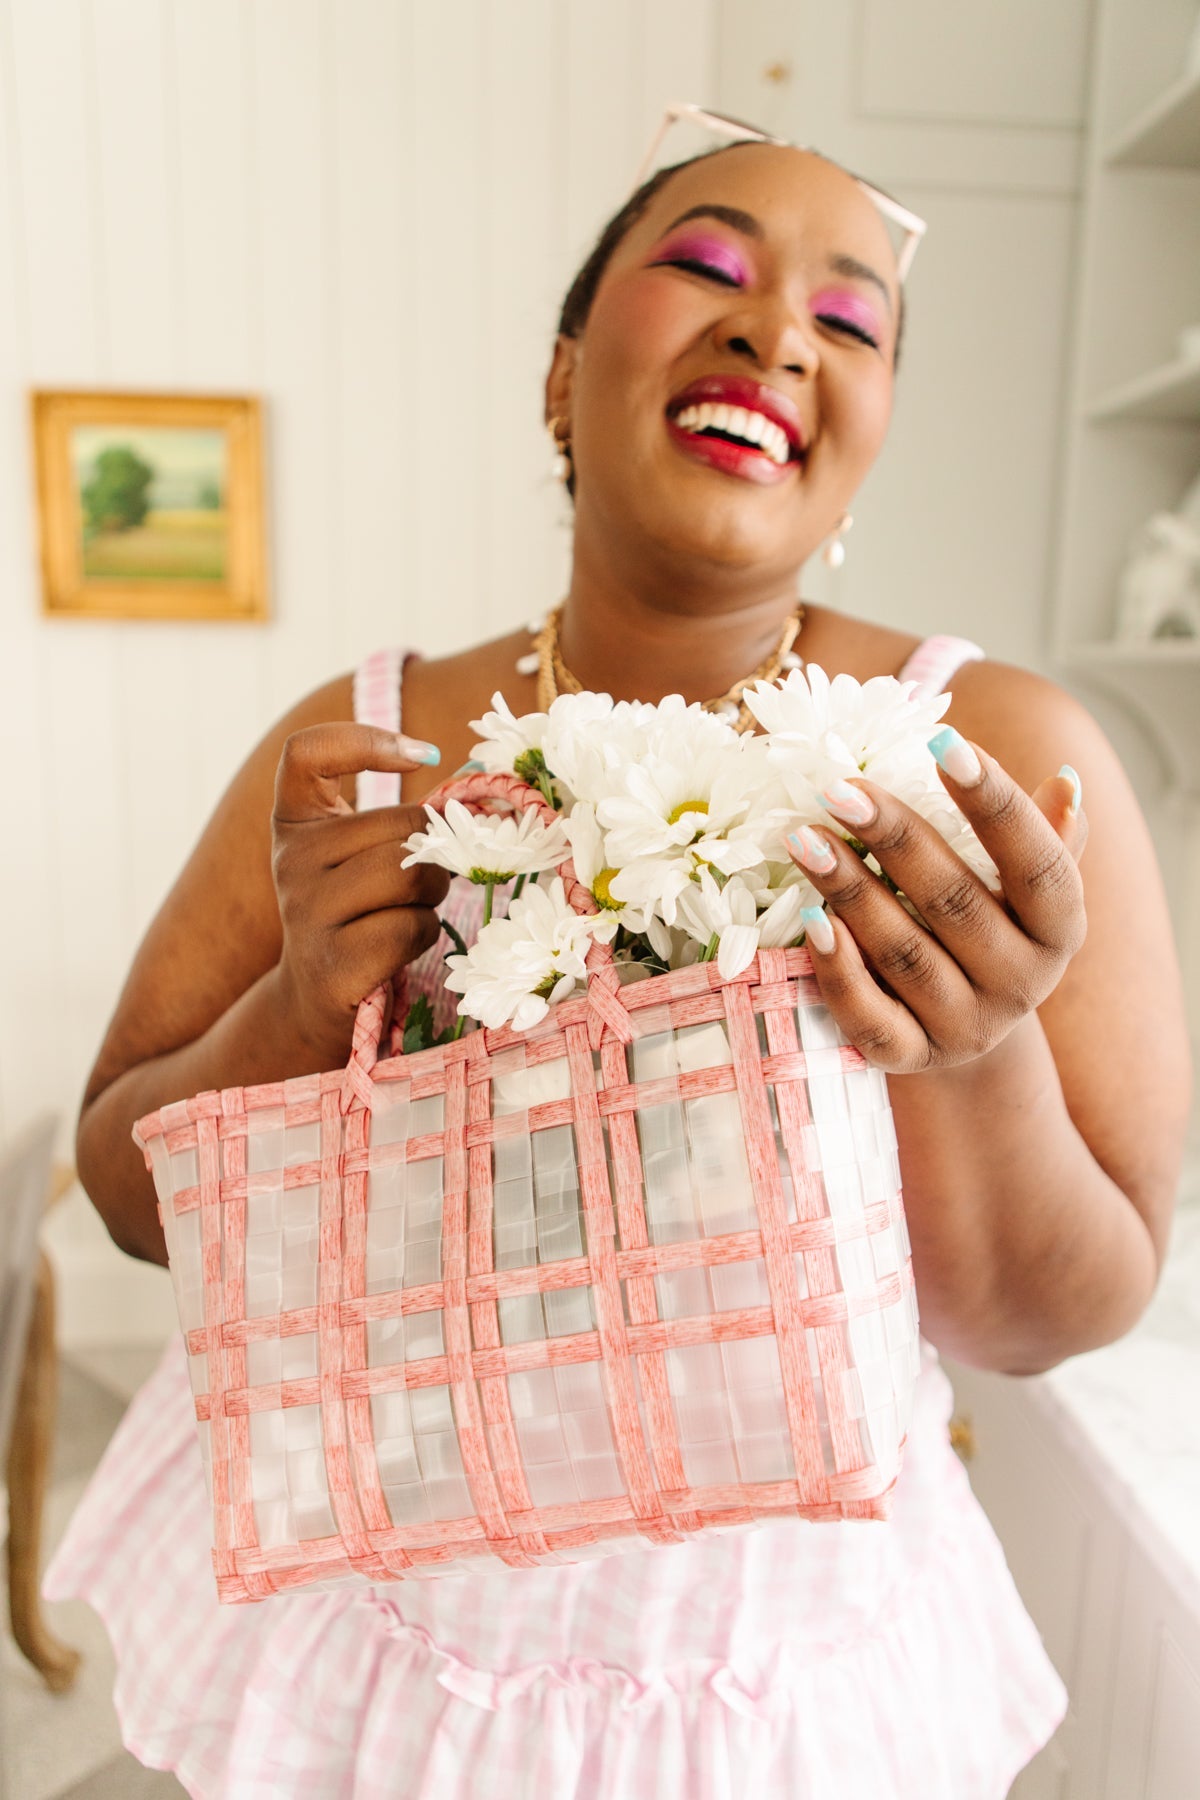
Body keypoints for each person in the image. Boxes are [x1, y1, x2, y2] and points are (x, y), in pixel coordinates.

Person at [45, 127, 1190, 1800]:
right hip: (388, 1646)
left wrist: (976, 1048)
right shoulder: (363, 742)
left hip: (771, 1679)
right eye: (709, 269)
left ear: (865, 443)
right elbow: (128, 1195)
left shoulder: (984, 757)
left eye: (851, 323)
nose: (777, 332)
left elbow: (1050, 1319)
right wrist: (300, 1012)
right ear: (564, 373)